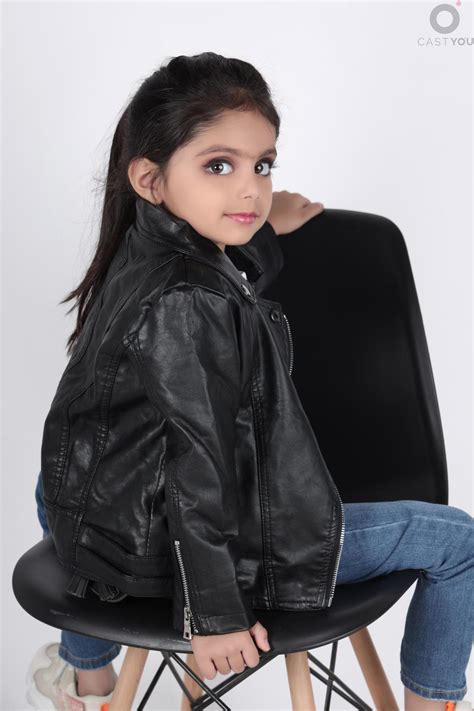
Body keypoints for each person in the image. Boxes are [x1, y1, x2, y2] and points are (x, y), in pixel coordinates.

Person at [25, 52, 472, 711]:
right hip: (193, 556)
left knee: (60, 477)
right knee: (458, 541)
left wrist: (259, 229)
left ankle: (87, 682)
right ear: (151, 179)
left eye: (262, 165)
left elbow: (215, 278)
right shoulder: (190, 304)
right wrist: (214, 615)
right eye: (219, 166)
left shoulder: (140, 245)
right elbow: (199, 465)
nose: (249, 190)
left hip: (102, 535)